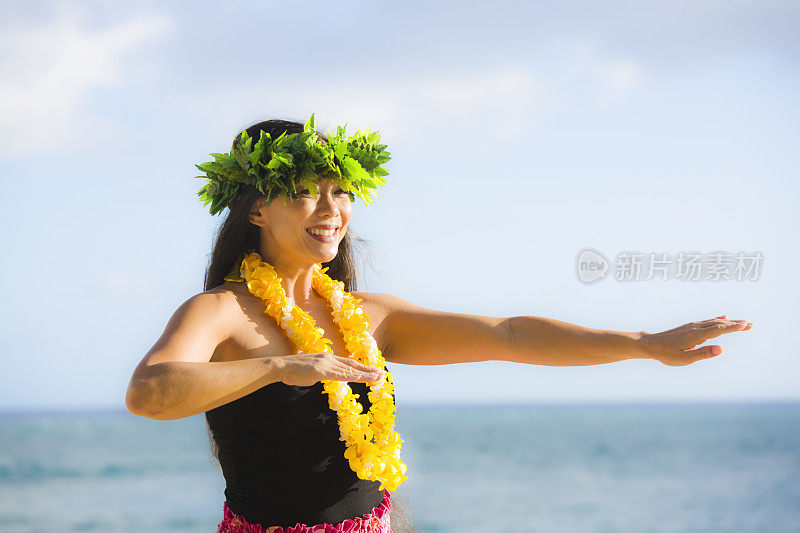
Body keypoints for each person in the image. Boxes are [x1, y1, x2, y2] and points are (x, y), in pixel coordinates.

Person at [124, 115, 753, 532]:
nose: (330, 209)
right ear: (257, 208)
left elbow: (509, 335)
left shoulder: (370, 315)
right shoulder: (222, 311)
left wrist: (644, 345)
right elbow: (148, 393)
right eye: (306, 192)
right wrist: (281, 366)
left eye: (341, 192)